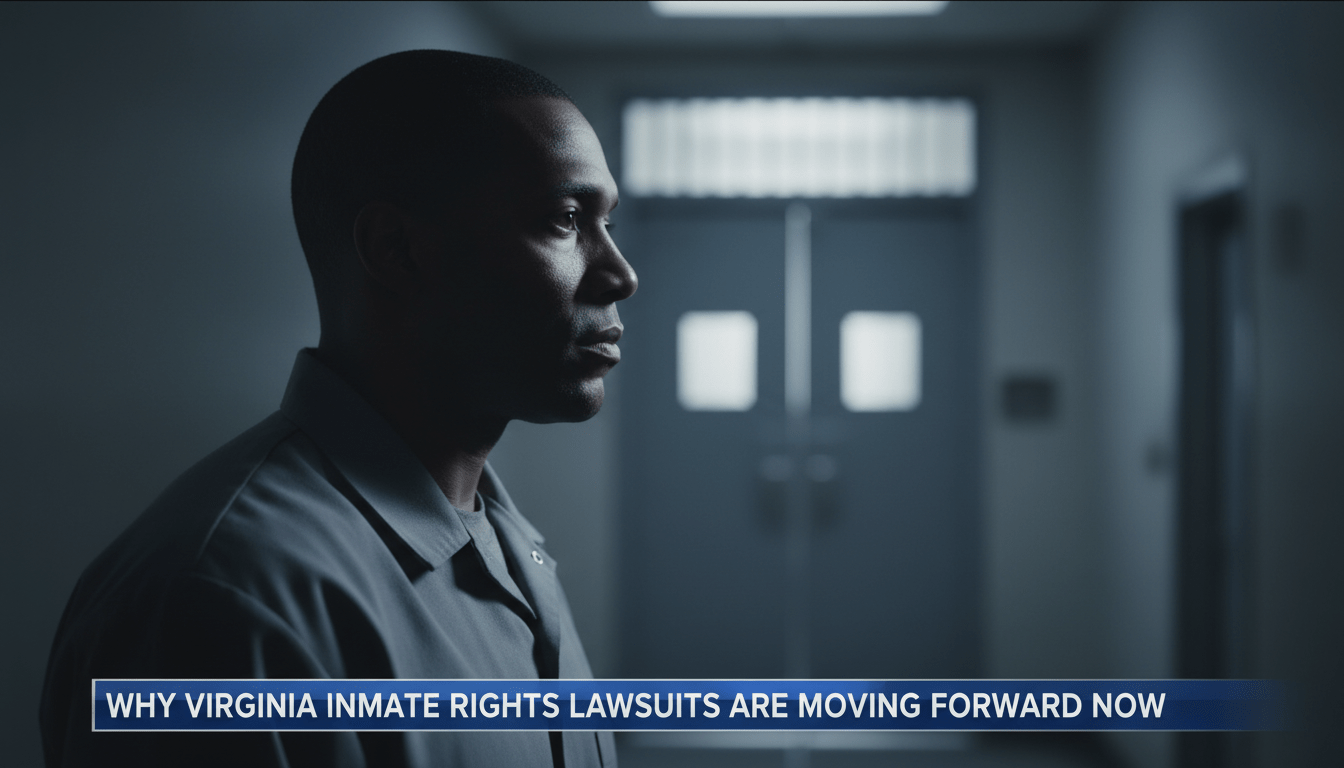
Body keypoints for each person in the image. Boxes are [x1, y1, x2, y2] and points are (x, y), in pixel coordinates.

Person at [39, 50, 636, 768]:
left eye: (606, 222)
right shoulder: (220, 599)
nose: (620, 274)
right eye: (565, 219)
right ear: (396, 249)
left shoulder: (510, 549)